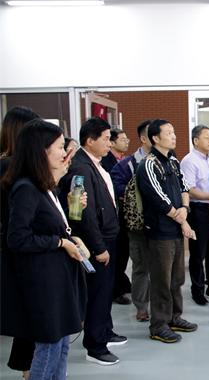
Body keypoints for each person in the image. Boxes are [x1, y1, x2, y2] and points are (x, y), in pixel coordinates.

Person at [2, 119, 87, 380]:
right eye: (60, 147)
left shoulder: (45, 186)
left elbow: (53, 225)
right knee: (48, 349)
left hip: (57, 278)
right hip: (42, 281)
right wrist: (60, 242)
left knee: (61, 347)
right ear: (41, 151)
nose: (64, 154)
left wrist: (69, 234)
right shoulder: (26, 188)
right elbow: (18, 238)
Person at [60, 117, 126, 366]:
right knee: (98, 293)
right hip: (98, 240)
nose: (110, 143)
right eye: (106, 139)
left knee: (105, 291)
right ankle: (95, 346)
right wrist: (98, 247)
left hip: (109, 235)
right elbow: (83, 214)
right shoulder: (80, 168)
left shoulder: (95, 163)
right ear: (90, 141)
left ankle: (105, 331)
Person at [136, 119, 198, 343]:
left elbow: (184, 187)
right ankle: (159, 325)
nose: (174, 136)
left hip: (176, 227)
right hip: (160, 231)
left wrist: (184, 209)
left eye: (174, 132)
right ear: (155, 138)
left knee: (177, 278)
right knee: (161, 280)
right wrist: (181, 218)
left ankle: (174, 317)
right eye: (169, 133)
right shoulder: (148, 164)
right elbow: (158, 199)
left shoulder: (173, 160)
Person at [0, 106, 41, 380]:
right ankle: (30, 377)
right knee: (29, 317)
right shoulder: (12, 168)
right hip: (21, 250)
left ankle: (30, 373)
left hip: (17, 248)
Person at [110, 119, 152, 321]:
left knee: (164, 269)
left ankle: (163, 306)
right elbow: (116, 187)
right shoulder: (127, 164)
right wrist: (135, 193)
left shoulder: (169, 162)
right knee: (141, 266)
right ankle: (142, 307)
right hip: (138, 225)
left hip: (164, 224)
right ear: (144, 138)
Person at [180, 124, 209, 305]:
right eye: (207, 137)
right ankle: (197, 290)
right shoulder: (189, 161)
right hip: (198, 210)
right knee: (198, 253)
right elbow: (190, 190)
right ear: (196, 140)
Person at [102, 127, 133, 306]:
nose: (126, 142)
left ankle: (121, 282)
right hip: (114, 215)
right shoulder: (107, 162)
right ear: (112, 143)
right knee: (117, 254)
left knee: (123, 253)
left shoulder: (124, 160)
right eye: (122, 139)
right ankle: (116, 290)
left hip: (124, 215)